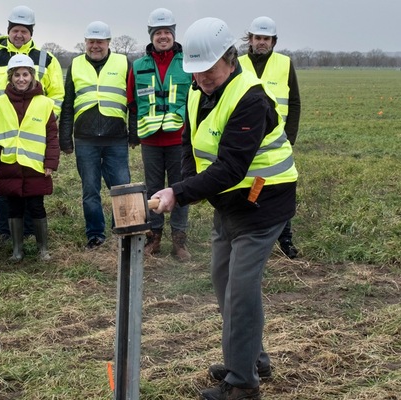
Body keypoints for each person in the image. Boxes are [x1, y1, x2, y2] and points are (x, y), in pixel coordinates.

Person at [151, 17, 297, 400]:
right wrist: (185, 182)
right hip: (230, 204)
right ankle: (252, 359)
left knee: (241, 291)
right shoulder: (199, 92)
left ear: (230, 59)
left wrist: (179, 193)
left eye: (209, 70)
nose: (201, 78)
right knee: (224, 282)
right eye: (195, 72)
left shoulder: (251, 98)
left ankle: (242, 384)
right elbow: (189, 145)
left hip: (263, 202)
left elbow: (232, 167)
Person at [0, 5, 65, 244]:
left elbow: (57, 93)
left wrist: (45, 119)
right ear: (8, 31)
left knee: (33, 186)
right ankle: (6, 232)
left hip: (35, 135)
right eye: (15, 30)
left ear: (31, 33)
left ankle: (29, 232)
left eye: (24, 31)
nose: (19, 35)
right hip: (4, 131)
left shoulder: (46, 58)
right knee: (7, 185)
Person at [59, 21, 134, 251]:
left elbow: (133, 101)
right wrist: (65, 138)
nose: (95, 46)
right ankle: (95, 235)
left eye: (99, 42)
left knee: (121, 187)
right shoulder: (75, 64)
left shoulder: (123, 63)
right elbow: (68, 104)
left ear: (108, 42)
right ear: (85, 43)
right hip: (85, 139)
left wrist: (134, 133)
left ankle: (121, 233)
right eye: (91, 42)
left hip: (116, 138)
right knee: (90, 190)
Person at [128, 8, 192, 260]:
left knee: (180, 189)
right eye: (158, 33)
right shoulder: (139, 65)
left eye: (167, 32)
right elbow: (132, 102)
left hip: (180, 139)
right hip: (151, 140)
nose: (163, 37)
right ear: (151, 35)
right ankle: (154, 238)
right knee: (153, 189)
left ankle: (179, 242)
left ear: (173, 35)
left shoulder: (187, 62)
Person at [239, 16, 301, 259]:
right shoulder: (238, 63)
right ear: (250, 40)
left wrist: (290, 136)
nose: (262, 42)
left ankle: (285, 239)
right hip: (245, 139)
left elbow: (294, 102)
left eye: (266, 38)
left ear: (273, 41)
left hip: (277, 141)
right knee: (245, 185)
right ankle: (249, 233)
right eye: (257, 38)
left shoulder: (285, 63)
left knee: (279, 187)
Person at [0, 54, 59, 262]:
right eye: (16, 75)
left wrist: (50, 163)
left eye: (25, 74)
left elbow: (52, 136)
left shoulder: (45, 103)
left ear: (32, 76)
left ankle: (42, 249)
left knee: (36, 206)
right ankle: (17, 250)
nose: (21, 79)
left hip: (35, 166)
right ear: (10, 77)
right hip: (9, 163)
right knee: (14, 207)